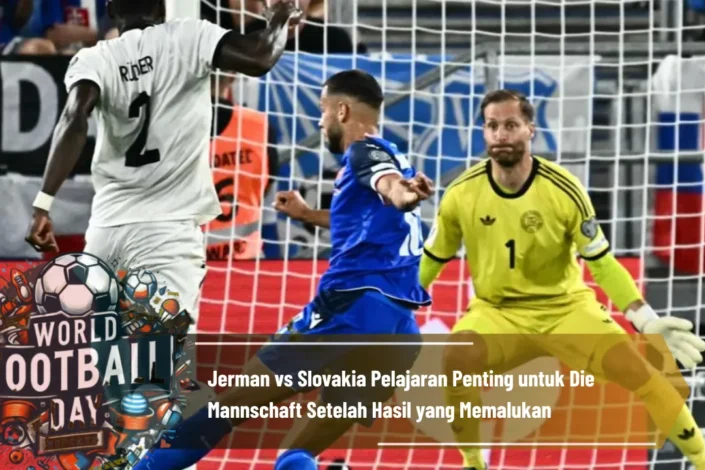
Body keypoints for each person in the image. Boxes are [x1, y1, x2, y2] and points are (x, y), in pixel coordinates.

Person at [138, 70, 435, 470]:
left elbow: (391, 188)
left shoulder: (365, 152)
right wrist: (307, 214)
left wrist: (403, 195)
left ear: (342, 111)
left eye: (323, 110)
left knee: (229, 407)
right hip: (399, 331)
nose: (320, 122)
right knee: (298, 454)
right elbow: (368, 217)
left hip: (352, 310)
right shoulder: (395, 155)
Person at [420, 89, 705, 470]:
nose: (501, 134)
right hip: (498, 313)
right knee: (456, 357)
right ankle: (474, 463)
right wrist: (396, 308)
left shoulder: (564, 189)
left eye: (511, 125)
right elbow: (433, 260)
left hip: (564, 310)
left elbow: (602, 263)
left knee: (644, 374)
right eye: (492, 126)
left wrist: (645, 320)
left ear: (530, 129)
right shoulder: (462, 193)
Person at [24, 0, 302, 327]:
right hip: (166, 231)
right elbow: (259, 58)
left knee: (109, 350)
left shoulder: (94, 58)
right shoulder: (190, 37)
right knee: (162, 353)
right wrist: (279, 20)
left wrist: (43, 204)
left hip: (106, 230)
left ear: (110, 10)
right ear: (162, 9)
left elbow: (73, 120)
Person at [206, 72, 280, 260]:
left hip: (184, 265)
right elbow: (266, 187)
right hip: (247, 262)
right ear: (232, 76)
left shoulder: (166, 129)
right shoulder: (259, 126)